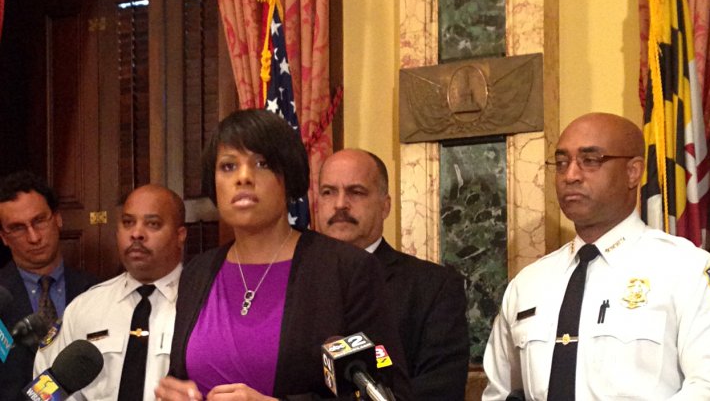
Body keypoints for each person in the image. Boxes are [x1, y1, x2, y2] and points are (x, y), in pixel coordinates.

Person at [155, 109, 412, 401]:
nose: (243, 177)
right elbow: (181, 376)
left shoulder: (347, 270)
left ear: (288, 178)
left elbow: (388, 391)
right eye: (228, 166)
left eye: (262, 164)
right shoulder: (198, 272)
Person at [482, 113, 710, 400]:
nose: (570, 175)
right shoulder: (528, 285)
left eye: (590, 160)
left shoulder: (687, 271)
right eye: (561, 163)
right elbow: (499, 392)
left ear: (633, 172)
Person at [316, 149, 469, 401]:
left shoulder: (433, 287)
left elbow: (439, 390)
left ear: (385, 206)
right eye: (328, 192)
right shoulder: (294, 282)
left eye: (356, 192)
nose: (340, 204)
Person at [34, 184, 187, 401]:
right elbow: (43, 391)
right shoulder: (85, 307)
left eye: (152, 224)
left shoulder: (204, 305)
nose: (136, 233)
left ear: (180, 235)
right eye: (127, 223)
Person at [0, 171, 97, 401]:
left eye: (39, 221)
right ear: (4, 237)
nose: (33, 237)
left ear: (58, 218)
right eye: (18, 228)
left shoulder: (94, 290)